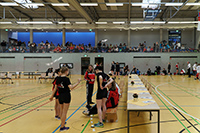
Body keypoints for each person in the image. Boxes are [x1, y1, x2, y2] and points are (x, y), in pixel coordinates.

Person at [49, 67, 81, 131]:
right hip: (66, 96)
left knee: (61, 111)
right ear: (66, 71)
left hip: (60, 96)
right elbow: (71, 87)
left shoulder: (57, 79)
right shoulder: (66, 79)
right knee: (64, 112)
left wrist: (52, 96)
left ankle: (62, 123)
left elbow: (55, 88)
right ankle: (62, 126)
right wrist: (78, 82)